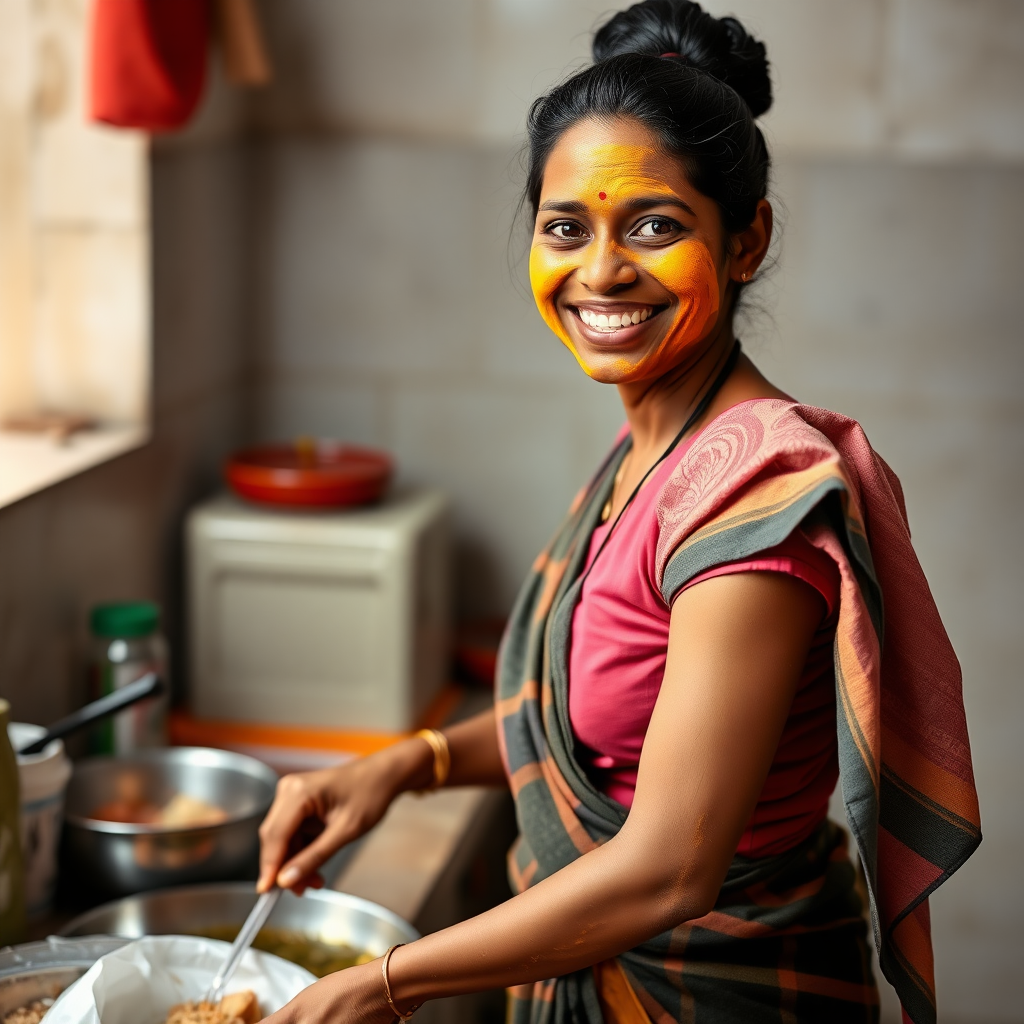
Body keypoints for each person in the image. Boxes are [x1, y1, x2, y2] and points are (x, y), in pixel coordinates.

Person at [259, 3, 980, 1021]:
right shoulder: (653, 447)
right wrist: (406, 764)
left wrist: (383, 982)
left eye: (653, 226)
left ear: (745, 239)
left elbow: (665, 870)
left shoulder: (751, 504)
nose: (599, 271)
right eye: (566, 228)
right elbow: (599, 727)